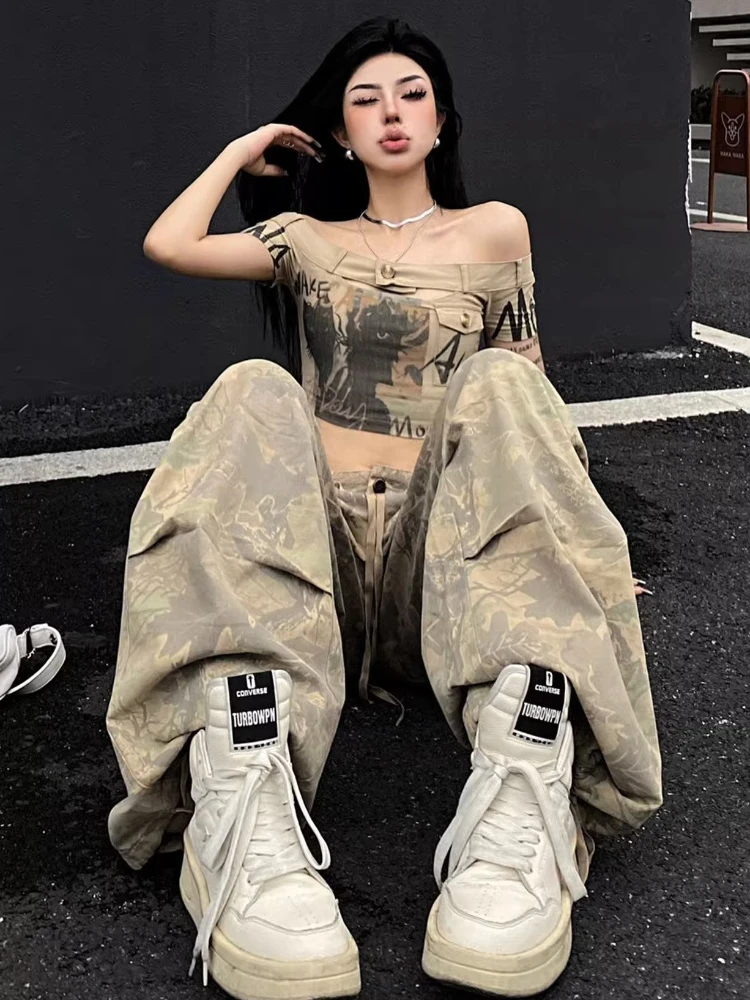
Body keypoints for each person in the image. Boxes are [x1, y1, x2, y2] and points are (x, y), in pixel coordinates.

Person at [105, 15, 662, 999]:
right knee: (252, 388)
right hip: (313, 581)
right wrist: (242, 149)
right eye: (365, 100)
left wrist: (575, 557)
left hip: (433, 571)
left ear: (442, 122)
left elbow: (529, 392)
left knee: (498, 382)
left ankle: (528, 772)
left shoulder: (496, 231)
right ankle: (239, 773)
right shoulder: (305, 239)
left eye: (411, 95)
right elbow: (169, 243)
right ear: (341, 132)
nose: (391, 113)